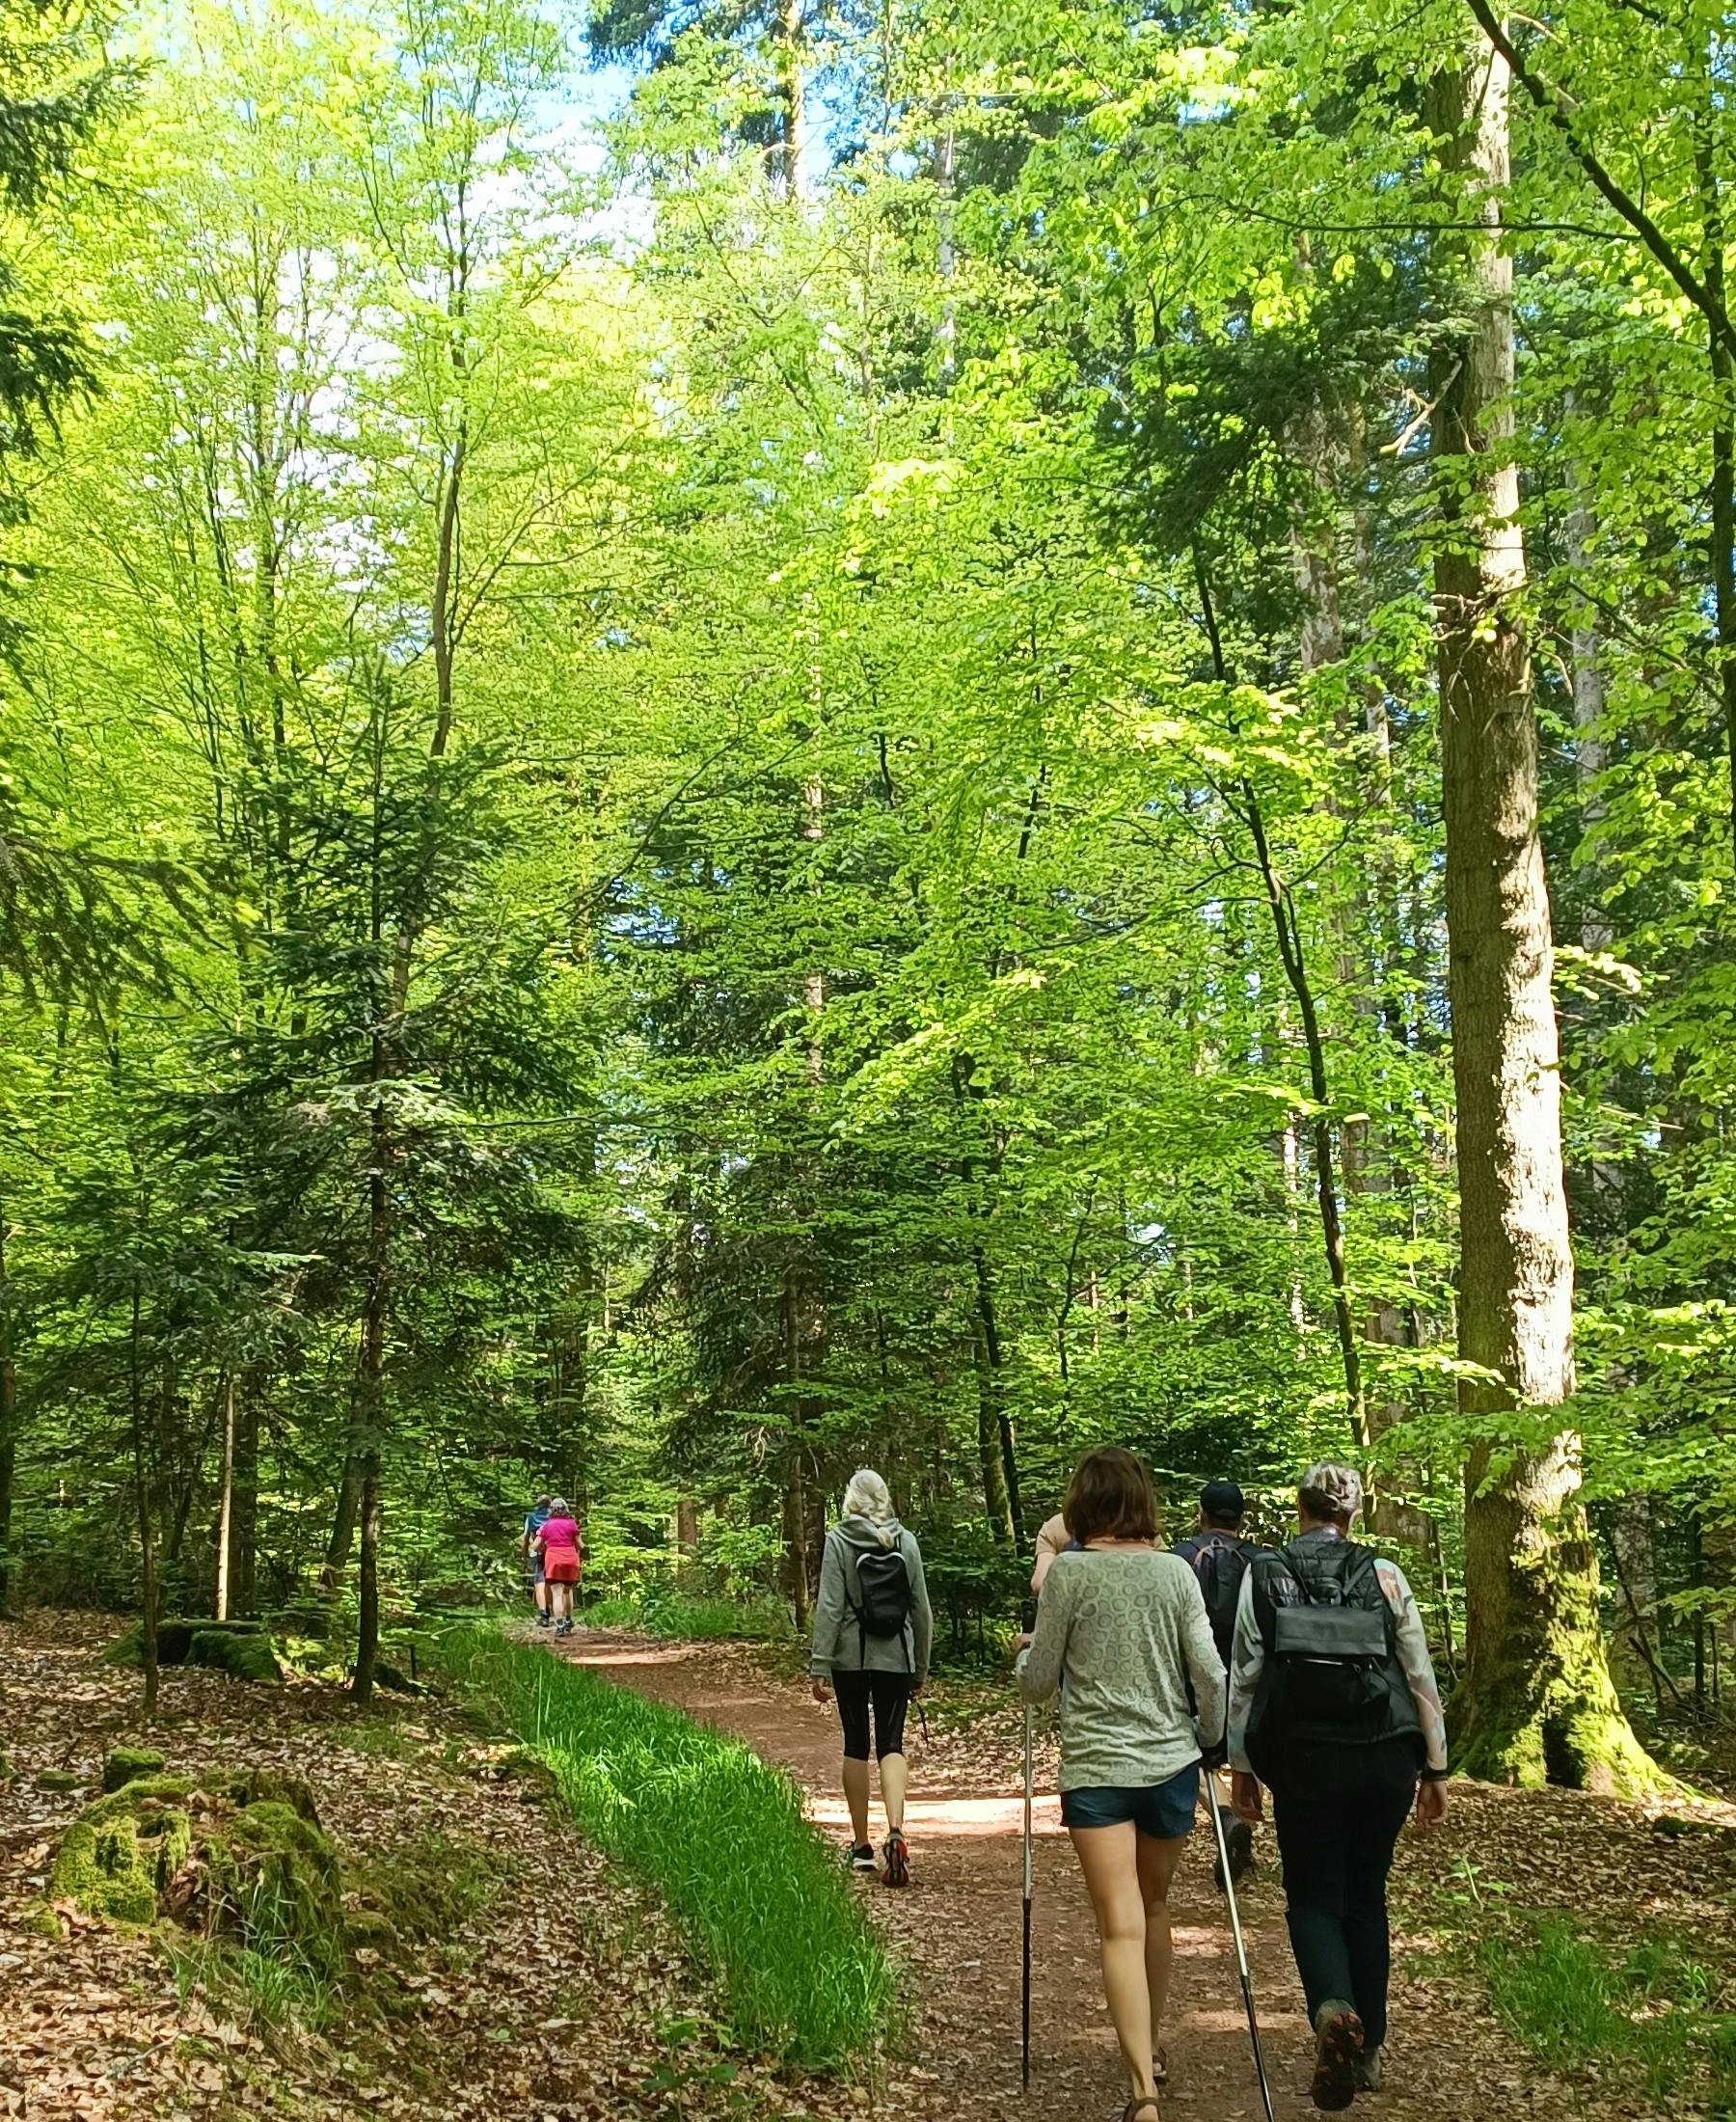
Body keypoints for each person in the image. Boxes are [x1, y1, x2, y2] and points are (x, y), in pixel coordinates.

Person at [1228, 1462, 1449, 2111]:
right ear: (1354, 1515)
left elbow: (1245, 1675)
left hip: (1304, 1760)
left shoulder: (1263, 1572)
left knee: (1313, 1896)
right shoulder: (1385, 1574)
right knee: (1366, 1898)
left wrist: (1243, 1773)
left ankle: (1331, 2006)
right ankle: (1370, 2048)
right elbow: (1417, 1673)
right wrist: (1435, 1767)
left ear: (1299, 1511)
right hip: (1385, 1755)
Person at [1017, 1447, 1226, 2122]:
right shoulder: (1176, 1574)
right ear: (1142, 1504)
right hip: (1170, 1767)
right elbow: (1211, 1676)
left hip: (1097, 1771)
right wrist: (1208, 1741)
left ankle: (1141, 2090)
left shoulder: (1070, 1575)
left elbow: (1040, 1680)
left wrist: (1021, 1660)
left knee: (1119, 1925)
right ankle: (1153, 2046)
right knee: (1156, 1909)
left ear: (1083, 1506)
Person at [809, 1469, 934, 1888]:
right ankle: (896, 1829)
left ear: (851, 1500)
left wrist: (820, 1664)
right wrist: (920, 1665)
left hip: (850, 1657)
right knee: (892, 1742)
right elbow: (921, 1610)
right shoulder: (906, 1541)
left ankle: (862, 1846)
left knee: (856, 1743)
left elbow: (829, 1605)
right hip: (896, 1656)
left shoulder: (838, 1540)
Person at [1171, 1479, 1261, 1887]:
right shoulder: (1263, 1563)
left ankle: (1225, 1817)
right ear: (1242, 1519)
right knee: (1247, 1757)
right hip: (1250, 1678)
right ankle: (1242, 1828)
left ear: (1201, 1514)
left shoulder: (1178, 1559)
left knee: (1194, 1758)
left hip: (1192, 1676)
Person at [534, 1499, 583, 1634]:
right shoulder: (572, 1525)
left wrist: (544, 1548)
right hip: (570, 1559)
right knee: (568, 1592)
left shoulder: (546, 1525)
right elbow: (581, 1545)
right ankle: (568, 1620)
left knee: (557, 1594)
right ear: (565, 1509)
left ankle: (560, 1625)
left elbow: (535, 1545)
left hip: (553, 1560)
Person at [522, 1493, 553, 1628]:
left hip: (536, 1552)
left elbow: (525, 1537)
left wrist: (524, 1554)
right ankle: (554, 1610)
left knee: (539, 1582)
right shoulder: (554, 1517)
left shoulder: (531, 1517)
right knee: (551, 1582)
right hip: (553, 1552)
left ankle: (544, 1615)